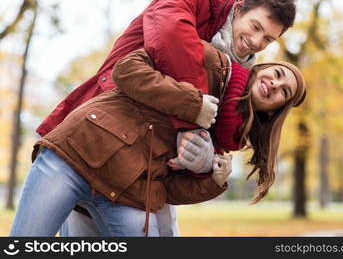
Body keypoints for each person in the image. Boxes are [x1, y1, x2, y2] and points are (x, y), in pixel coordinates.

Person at [36, 0, 297, 236]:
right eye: (255, 26)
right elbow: (170, 38)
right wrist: (191, 116)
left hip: (147, 166)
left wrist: (207, 162)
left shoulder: (240, 76)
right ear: (239, 7)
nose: (256, 41)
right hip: (99, 136)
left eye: (268, 39)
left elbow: (207, 131)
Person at [9, 41, 306, 237]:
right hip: (74, 158)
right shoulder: (211, 61)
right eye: (278, 73)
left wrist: (211, 182)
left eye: (283, 92)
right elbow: (127, 69)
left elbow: (169, 187)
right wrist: (192, 105)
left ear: (275, 110)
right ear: (263, 68)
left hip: (124, 194)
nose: (275, 84)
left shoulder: (227, 141)